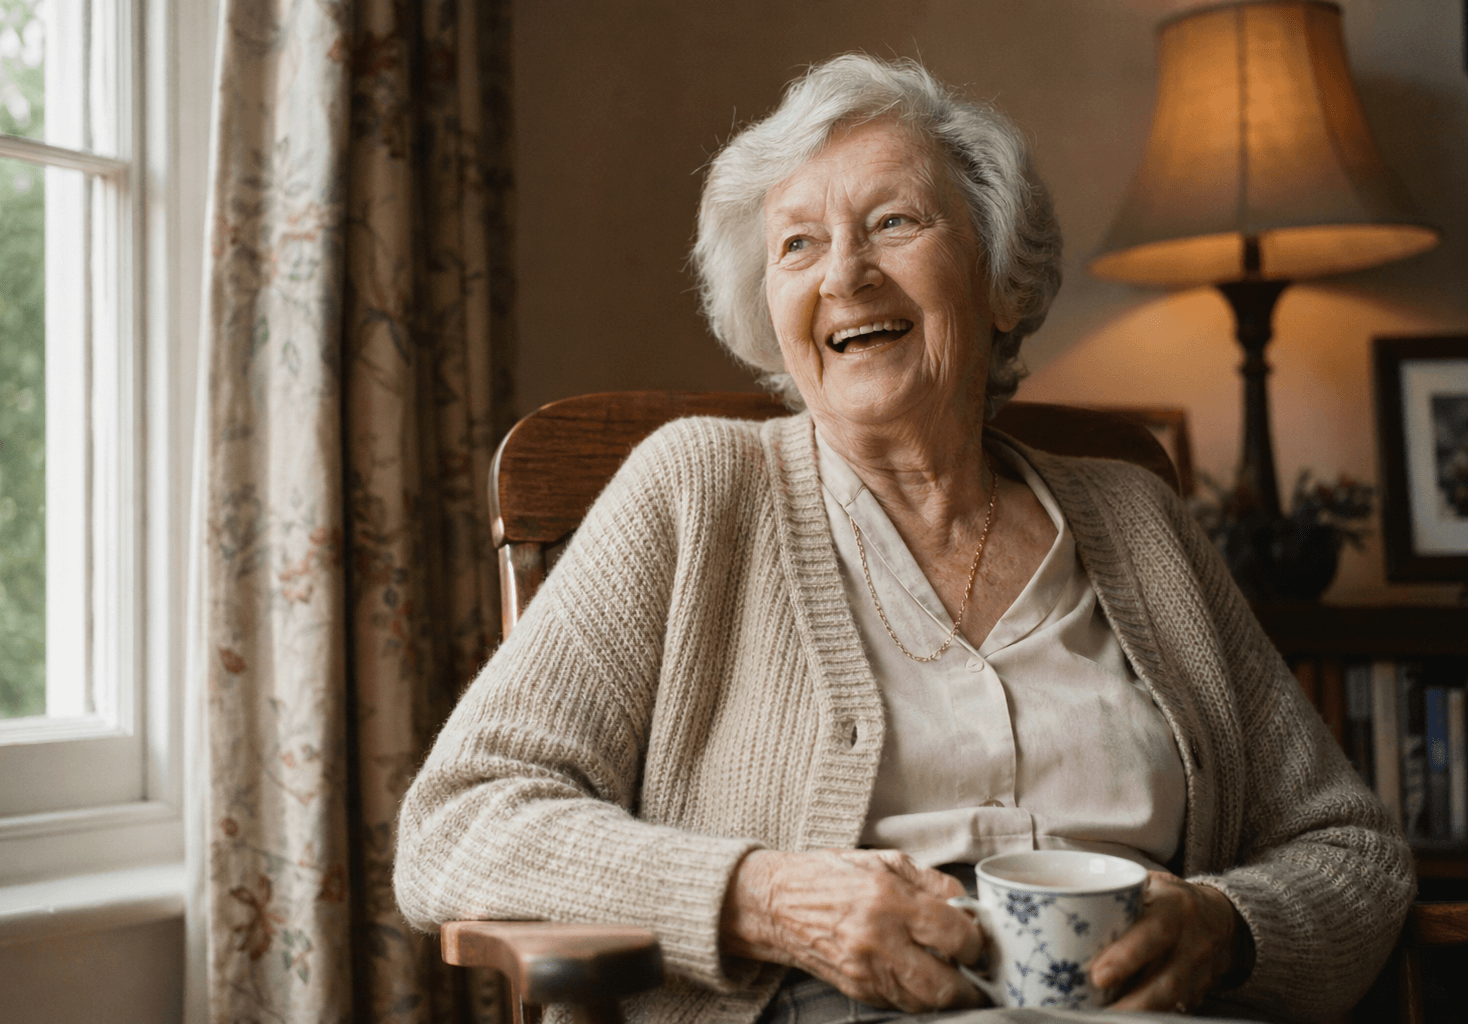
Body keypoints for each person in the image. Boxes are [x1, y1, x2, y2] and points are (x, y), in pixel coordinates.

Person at [394, 54, 1411, 1024]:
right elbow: (460, 821)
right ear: (770, 310)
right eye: (797, 244)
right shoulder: (698, 489)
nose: (844, 275)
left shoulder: (1134, 522)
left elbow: (1349, 847)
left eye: (891, 222)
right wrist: (767, 898)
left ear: (999, 277)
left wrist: (1223, 927)